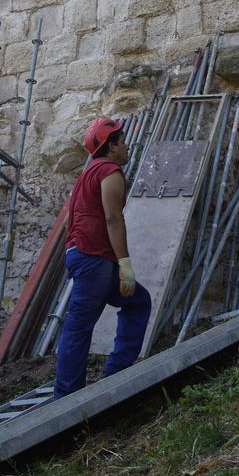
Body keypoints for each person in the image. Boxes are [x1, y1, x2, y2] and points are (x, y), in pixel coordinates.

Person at [53, 118, 151, 400]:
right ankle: (66, 399)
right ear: (111, 146)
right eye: (122, 140)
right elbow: (113, 218)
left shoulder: (87, 175)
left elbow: (73, 218)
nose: (126, 144)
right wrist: (125, 265)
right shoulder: (110, 171)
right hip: (94, 259)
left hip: (85, 256)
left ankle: (115, 372)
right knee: (79, 326)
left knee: (137, 301)